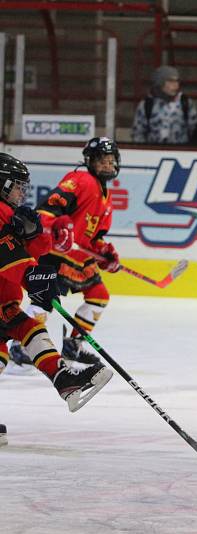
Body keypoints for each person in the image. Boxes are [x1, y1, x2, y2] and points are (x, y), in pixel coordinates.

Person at [0, 152, 113, 424]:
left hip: (4, 302)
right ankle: (64, 379)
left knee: (26, 330)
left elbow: (28, 252)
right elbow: (8, 255)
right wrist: (34, 278)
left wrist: (36, 236)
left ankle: (64, 380)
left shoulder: (9, 213)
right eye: (17, 186)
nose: (21, 193)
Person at [8, 137, 123, 367]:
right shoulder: (80, 179)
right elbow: (45, 211)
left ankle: (73, 346)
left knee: (99, 295)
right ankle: (21, 347)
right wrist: (60, 225)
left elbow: (94, 237)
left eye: (111, 161)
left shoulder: (107, 196)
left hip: (79, 258)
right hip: (57, 253)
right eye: (102, 161)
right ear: (90, 161)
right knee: (45, 300)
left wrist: (105, 253)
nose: (107, 166)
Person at [131, 65, 197, 144]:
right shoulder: (147, 105)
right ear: (160, 82)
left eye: (177, 81)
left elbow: (195, 132)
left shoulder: (185, 103)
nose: (175, 85)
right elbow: (138, 133)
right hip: (152, 153)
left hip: (180, 153)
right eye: (170, 81)